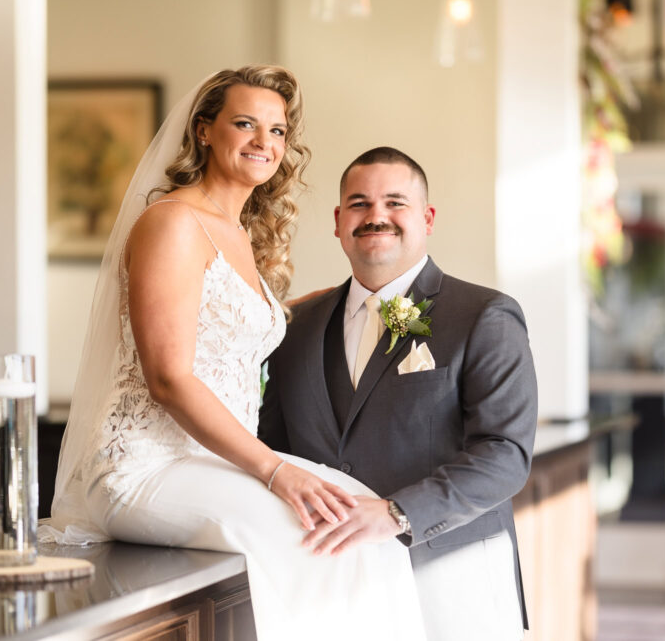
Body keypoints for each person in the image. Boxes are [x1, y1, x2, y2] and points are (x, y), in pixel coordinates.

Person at [41, 67, 426, 641]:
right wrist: (277, 472)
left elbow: (228, 323)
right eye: (245, 124)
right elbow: (169, 377)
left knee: (367, 523)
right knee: (319, 536)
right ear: (204, 131)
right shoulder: (172, 223)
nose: (263, 143)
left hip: (209, 463)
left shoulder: (238, 232)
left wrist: (339, 299)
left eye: (276, 131)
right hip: (141, 467)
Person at [260, 147, 538, 641]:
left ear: (427, 218)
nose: (376, 216)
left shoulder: (484, 315)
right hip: (327, 583)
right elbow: (272, 448)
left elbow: (505, 454)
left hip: (448, 580)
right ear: (339, 220)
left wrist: (396, 514)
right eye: (360, 204)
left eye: (395, 202)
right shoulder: (294, 328)